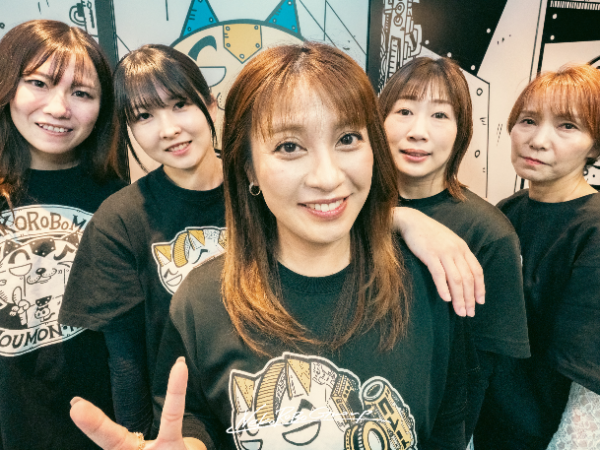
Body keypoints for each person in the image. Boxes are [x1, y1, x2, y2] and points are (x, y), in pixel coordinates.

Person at [70, 41, 471, 450]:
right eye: (289, 147)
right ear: (249, 168)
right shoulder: (199, 302)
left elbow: (448, 427)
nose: (327, 177)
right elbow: (194, 420)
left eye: (348, 138)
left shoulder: (431, 285)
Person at [59, 44, 226, 436]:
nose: (168, 129)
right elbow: (126, 360)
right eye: (144, 116)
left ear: (211, 104)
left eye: (180, 104)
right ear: (129, 129)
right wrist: (137, 439)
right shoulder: (120, 219)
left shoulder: (265, 189)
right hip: (181, 428)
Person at [379, 56, 530, 440]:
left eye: (439, 115)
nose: (418, 132)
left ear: (462, 131)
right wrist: (399, 217)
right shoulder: (345, 209)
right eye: (404, 111)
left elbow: (477, 376)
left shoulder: (490, 235)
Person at [0, 19, 126, 450]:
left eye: (81, 93)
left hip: (103, 434)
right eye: (39, 83)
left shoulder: (122, 203)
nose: (59, 108)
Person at [474, 63, 600, 449]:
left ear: (595, 146)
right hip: (486, 429)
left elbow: (586, 392)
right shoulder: (507, 211)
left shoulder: (592, 230)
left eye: (567, 126)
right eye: (528, 120)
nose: (538, 140)